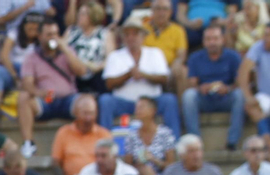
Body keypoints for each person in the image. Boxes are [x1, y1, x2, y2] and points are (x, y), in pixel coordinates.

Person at [15, 18, 86, 159]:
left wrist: (64, 48)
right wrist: (39, 92)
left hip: (68, 99)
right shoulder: (32, 57)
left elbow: (81, 72)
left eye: (55, 34)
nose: (52, 37)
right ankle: (28, 143)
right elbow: (27, 83)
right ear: (40, 36)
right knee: (23, 98)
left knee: (86, 103)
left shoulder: (68, 51)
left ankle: (83, 142)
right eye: (48, 34)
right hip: (46, 100)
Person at [99, 13, 179, 135]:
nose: (131, 37)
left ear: (143, 36)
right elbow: (109, 84)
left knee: (169, 100)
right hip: (123, 102)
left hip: (151, 102)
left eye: (135, 33)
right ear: (123, 38)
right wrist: (129, 75)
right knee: (105, 100)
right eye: (127, 34)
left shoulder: (155, 53)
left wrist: (144, 75)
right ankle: (105, 142)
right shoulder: (115, 56)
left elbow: (164, 79)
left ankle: (174, 143)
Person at [238, 23, 270, 144]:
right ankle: (268, 139)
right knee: (250, 106)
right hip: (265, 96)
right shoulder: (259, 47)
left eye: (268, 35)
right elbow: (243, 72)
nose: (264, 38)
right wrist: (248, 96)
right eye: (264, 34)